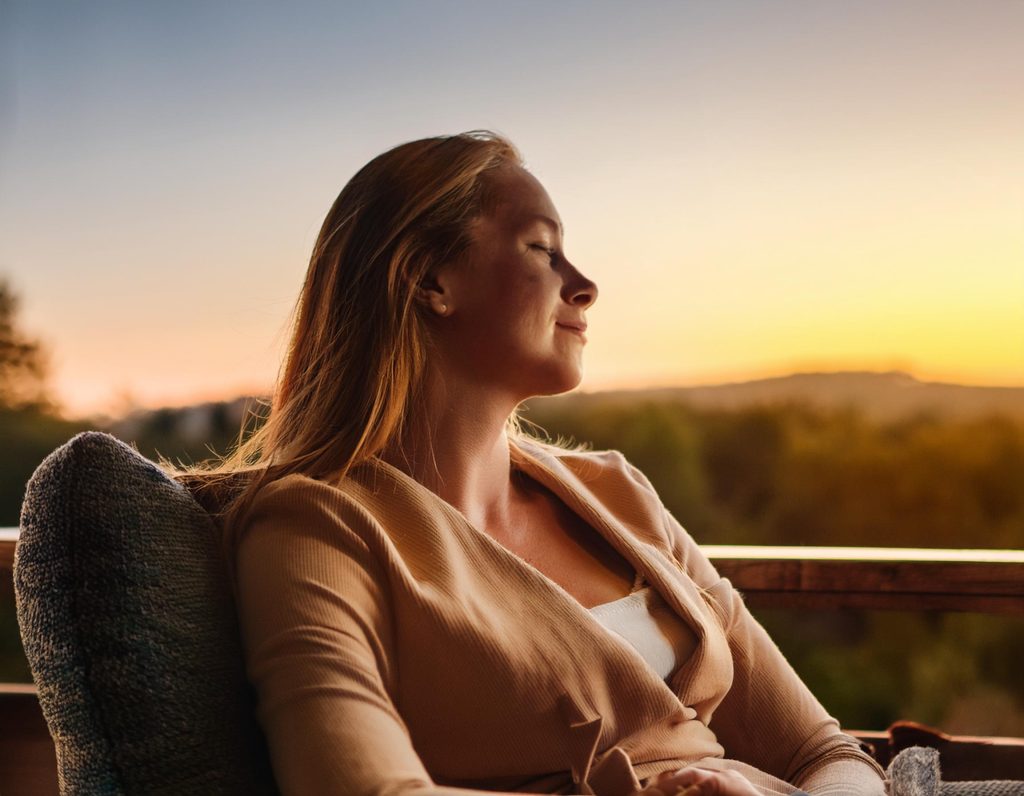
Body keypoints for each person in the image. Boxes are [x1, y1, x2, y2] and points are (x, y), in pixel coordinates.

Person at [202, 132, 888, 795]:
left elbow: (825, 753)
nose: (584, 286)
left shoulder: (617, 492)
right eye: (542, 250)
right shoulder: (316, 530)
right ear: (428, 278)